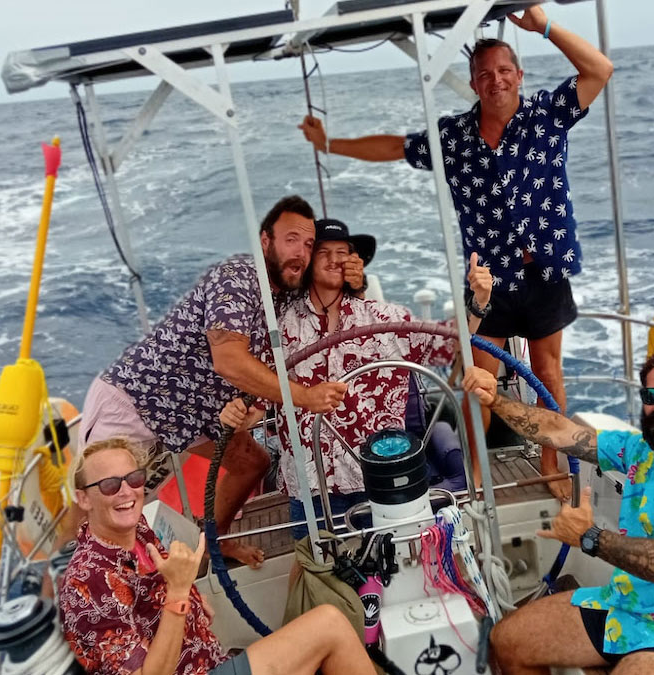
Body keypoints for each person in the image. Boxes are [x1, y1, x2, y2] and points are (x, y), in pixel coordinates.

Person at [298, 6, 614, 501]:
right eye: (485, 74)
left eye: (504, 71)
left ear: (519, 75)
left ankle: (552, 459)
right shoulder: (454, 137)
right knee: (478, 380)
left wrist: (543, 25)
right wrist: (330, 143)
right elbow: (394, 147)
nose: (496, 81)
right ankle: (476, 469)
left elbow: (600, 70)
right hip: (486, 281)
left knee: (549, 373)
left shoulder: (547, 116)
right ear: (473, 82)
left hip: (544, 271)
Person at [72, 195, 349, 567]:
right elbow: (229, 359)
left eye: (308, 244)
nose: (300, 251)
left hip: (192, 415)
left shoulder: (282, 299)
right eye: (291, 239)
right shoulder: (239, 277)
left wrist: (258, 406)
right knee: (104, 504)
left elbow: (284, 347)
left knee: (251, 461)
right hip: (135, 400)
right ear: (265, 241)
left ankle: (214, 543)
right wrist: (305, 397)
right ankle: (89, 583)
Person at [463, 349, 654, 675]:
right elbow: (561, 431)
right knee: (508, 640)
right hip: (626, 607)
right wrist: (496, 400)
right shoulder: (643, 450)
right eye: (652, 395)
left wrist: (589, 537)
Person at [221, 218, 492, 538]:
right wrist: (237, 413)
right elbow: (259, 401)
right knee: (317, 573)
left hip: (384, 481)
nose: (335, 259)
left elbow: (448, 346)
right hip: (312, 488)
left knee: (401, 565)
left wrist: (478, 301)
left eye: (343, 252)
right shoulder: (279, 330)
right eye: (324, 252)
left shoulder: (387, 319)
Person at [58, 437, 376, 675]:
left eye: (135, 479)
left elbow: (165, 582)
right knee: (329, 625)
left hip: (207, 659)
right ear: (84, 498)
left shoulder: (136, 529)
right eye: (111, 485)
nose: (127, 492)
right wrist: (181, 595)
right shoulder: (89, 580)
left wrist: (194, 600)